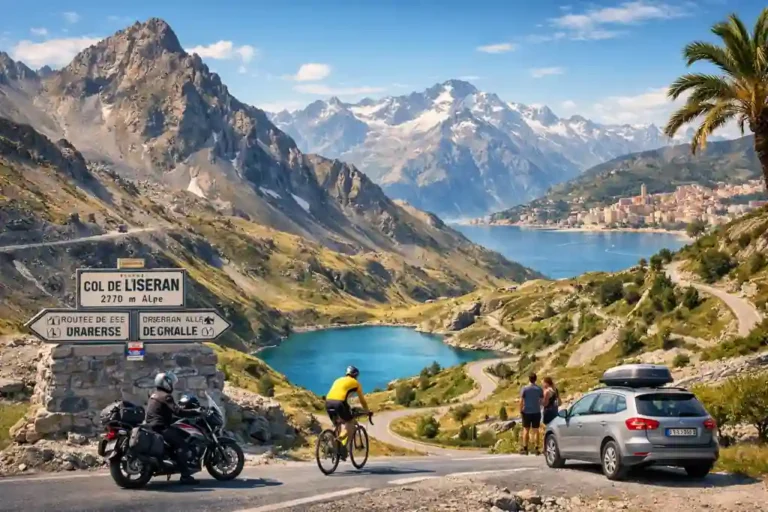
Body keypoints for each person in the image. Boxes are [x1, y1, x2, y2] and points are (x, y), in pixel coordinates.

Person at [145, 371, 202, 484]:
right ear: (166, 383)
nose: (173, 386)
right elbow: (178, 411)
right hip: (161, 427)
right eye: (171, 383)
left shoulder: (154, 394)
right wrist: (195, 412)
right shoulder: (166, 396)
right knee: (182, 445)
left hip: (151, 426)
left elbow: (163, 412)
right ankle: (185, 476)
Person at [325, 366, 370, 459]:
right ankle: (338, 440)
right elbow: (362, 401)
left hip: (328, 402)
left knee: (337, 424)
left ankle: (336, 447)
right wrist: (367, 411)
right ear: (356, 376)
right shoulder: (356, 383)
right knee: (350, 422)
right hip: (339, 403)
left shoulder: (338, 380)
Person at [519, 372, 543, 455]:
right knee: (536, 430)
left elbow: (521, 401)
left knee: (526, 430)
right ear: (535, 379)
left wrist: (520, 410)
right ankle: (537, 448)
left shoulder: (524, 389)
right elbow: (541, 401)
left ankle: (525, 448)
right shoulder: (539, 389)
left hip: (526, 412)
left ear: (529, 379)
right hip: (536, 411)